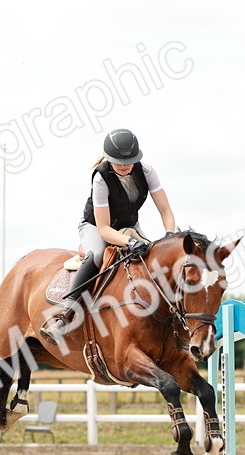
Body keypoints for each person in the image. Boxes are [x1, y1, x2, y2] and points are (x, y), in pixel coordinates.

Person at [39, 128, 178, 345]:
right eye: (119, 162)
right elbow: (104, 229)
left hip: (129, 225)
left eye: (129, 161)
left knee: (151, 258)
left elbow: (166, 211)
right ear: (109, 159)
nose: (124, 166)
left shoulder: (147, 171)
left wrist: (170, 235)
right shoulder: (101, 178)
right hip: (95, 227)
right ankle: (64, 317)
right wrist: (130, 242)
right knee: (97, 255)